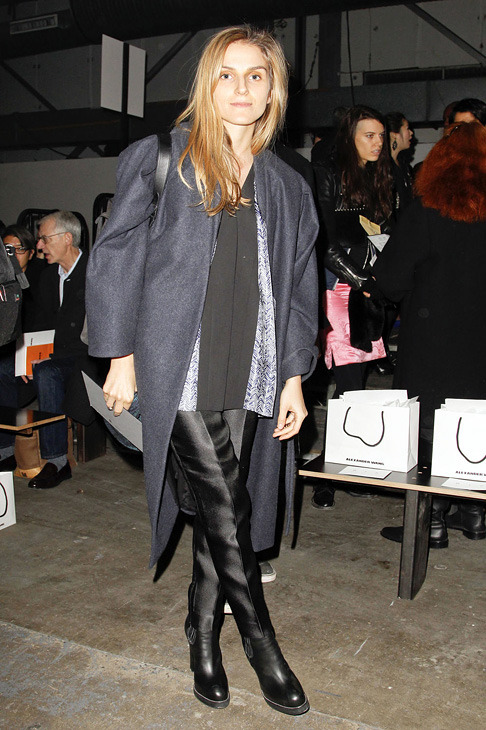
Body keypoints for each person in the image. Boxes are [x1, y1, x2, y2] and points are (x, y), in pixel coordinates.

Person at [86, 26, 318, 715]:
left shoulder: (288, 183)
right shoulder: (163, 158)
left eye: (256, 76)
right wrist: (120, 355)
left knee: (225, 509)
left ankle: (201, 631)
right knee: (226, 503)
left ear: (273, 90)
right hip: (174, 363)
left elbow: (299, 289)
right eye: (226, 74)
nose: (241, 88)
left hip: (251, 363)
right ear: (206, 83)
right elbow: (115, 254)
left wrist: (294, 376)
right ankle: (260, 642)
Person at [373, 121, 486, 548]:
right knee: (476, 419)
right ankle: (474, 513)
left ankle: (431, 521)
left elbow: (391, 278)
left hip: (433, 335)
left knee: (428, 424)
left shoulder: (427, 208)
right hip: (481, 340)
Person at [311, 105, 393, 509]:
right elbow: (323, 241)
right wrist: (362, 281)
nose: (378, 143)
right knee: (330, 385)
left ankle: (339, 468)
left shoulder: (380, 177)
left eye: (381, 136)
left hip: (363, 291)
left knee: (351, 385)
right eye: (369, 135)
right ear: (350, 137)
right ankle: (325, 474)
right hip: (334, 289)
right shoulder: (328, 173)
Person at [21, 211, 88, 489]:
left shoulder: (95, 271)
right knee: (6, 368)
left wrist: (43, 359)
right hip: (54, 353)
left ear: (67, 238)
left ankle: (57, 461)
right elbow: (39, 323)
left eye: (45, 239)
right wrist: (27, 358)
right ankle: (5, 450)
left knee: (47, 372)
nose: (39, 246)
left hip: (86, 356)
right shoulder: (49, 276)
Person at [0, 226, 47, 470]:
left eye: (17, 249)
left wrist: (28, 353)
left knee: (4, 371)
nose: (11, 255)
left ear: (30, 252)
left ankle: (6, 449)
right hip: (8, 347)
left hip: (34, 349)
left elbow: (46, 323)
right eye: (6, 249)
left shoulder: (41, 278)